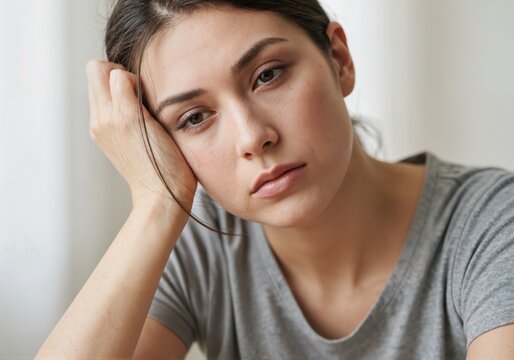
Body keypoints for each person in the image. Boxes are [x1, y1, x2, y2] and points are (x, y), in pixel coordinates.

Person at [36, 0, 514, 359]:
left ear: (339, 60)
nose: (252, 137)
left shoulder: (492, 226)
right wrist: (154, 205)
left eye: (268, 75)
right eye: (196, 118)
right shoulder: (202, 246)